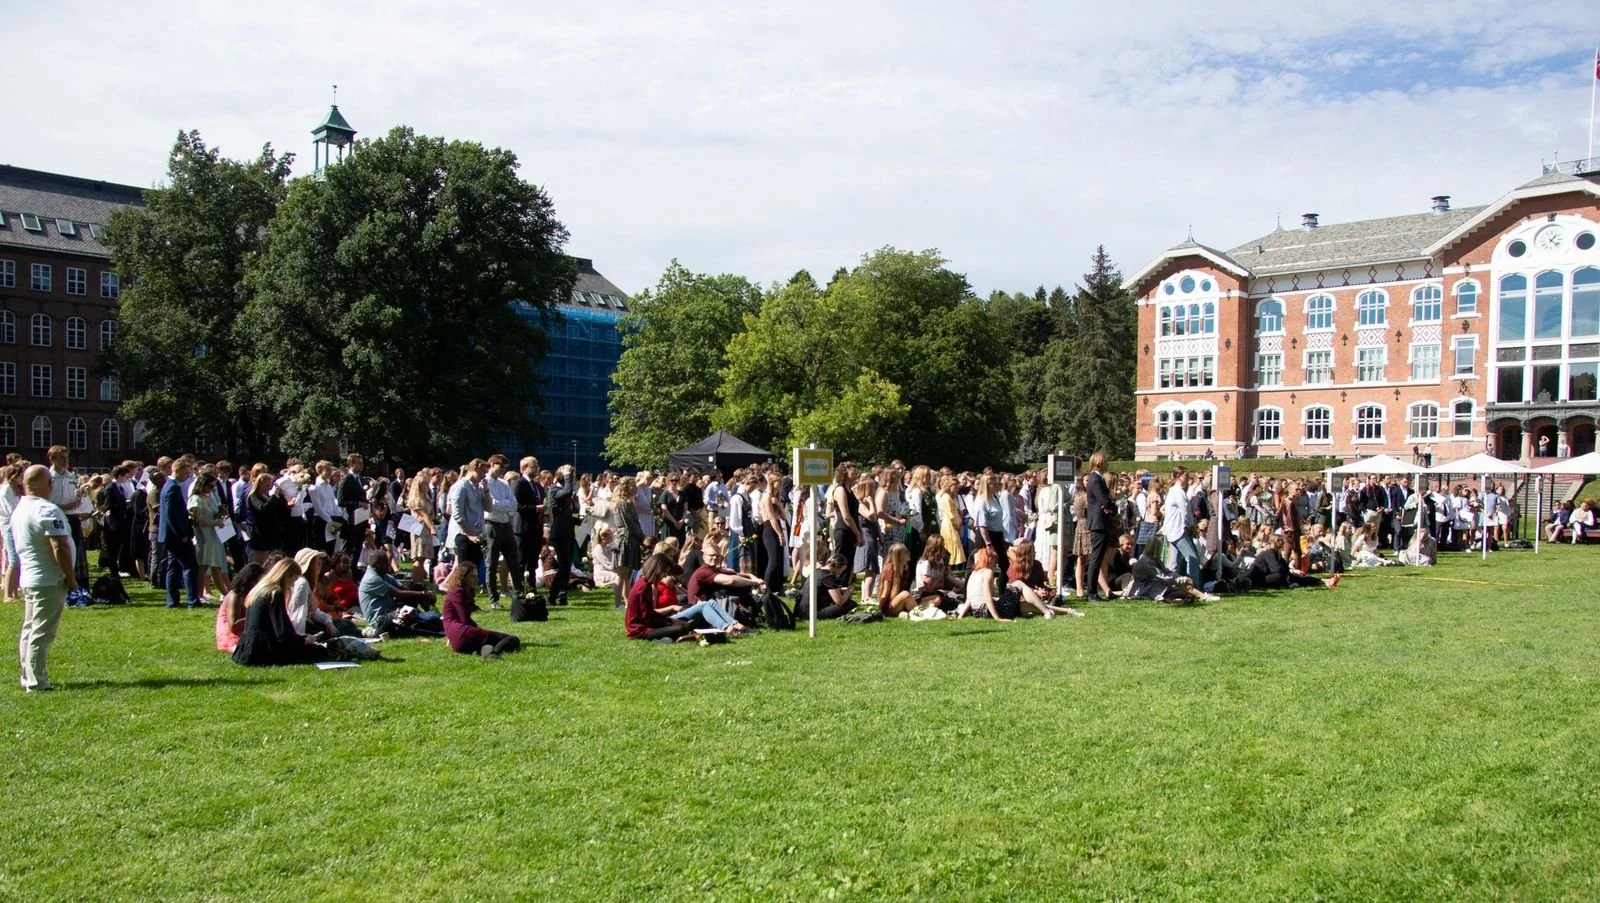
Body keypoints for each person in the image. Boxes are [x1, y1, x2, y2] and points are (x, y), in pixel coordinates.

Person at [12, 465, 77, 691]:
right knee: (41, 632)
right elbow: (60, 547)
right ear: (48, 484)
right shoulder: (47, 510)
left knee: (30, 629)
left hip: (31, 576)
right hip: (48, 578)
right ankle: (36, 681)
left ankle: (27, 675)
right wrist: (70, 576)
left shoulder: (20, 508)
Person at [232, 559, 328, 666]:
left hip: (246, 647)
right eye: (293, 580)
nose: (292, 585)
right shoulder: (275, 593)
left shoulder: (260, 590)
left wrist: (299, 638)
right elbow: (282, 631)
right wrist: (303, 641)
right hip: (262, 649)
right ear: (287, 576)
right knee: (319, 651)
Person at [441, 562, 522, 658]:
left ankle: (479, 651)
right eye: (472, 577)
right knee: (512, 639)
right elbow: (465, 619)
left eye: (476, 576)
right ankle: (494, 653)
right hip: (461, 633)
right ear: (463, 578)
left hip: (456, 636)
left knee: (491, 640)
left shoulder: (460, 592)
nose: (476, 580)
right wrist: (479, 631)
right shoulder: (458, 592)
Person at [359, 550, 438, 636]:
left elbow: (404, 589)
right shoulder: (372, 578)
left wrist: (422, 592)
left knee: (417, 587)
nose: (388, 565)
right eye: (385, 563)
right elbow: (398, 593)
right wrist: (424, 593)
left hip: (391, 610)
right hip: (380, 620)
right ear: (377, 564)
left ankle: (430, 614)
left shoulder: (383, 575)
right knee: (407, 615)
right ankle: (429, 621)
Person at [160, 458, 204, 609]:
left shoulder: (169, 485)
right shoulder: (173, 488)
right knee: (190, 566)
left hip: (170, 535)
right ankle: (192, 600)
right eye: (186, 473)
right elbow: (171, 515)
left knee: (173, 567)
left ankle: (172, 601)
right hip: (177, 535)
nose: (187, 476)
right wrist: (182, 534)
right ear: (177, 471)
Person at [1125, 535, 1219, 604]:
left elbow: (1167, 571)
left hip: (1152, 585)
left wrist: (1180, 578)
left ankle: (1201, 596)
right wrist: (1181, 580)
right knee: (1181, 588)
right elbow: (1163, 577)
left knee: (1181, 587)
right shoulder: (1145, 562)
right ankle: (1202, 596)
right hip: (1144, 589)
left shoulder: (1153, 559)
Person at [187, 471, 229, 602]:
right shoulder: (196, 499)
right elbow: (196, 521)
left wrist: (220, 513)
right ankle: (199, 595)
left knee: (216, 566)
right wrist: (214, 522)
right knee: (203, 566)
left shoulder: (209, 498)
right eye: (210, 486)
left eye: (214, 486)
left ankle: (226, 594)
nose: (212, 489)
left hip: (214, 536)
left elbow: (213, 515)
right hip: (203, 537)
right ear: (202, 484)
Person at [546, 465, 579, 606]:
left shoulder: (565, 492)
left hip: (568, 532)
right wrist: (566, 476)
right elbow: (567, 491)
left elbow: (568, 513)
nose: (573, 479)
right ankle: (552, 595)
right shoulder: (554, 490)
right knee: (564, 566)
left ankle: (562, 594)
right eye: (572, 476)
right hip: (559, 534)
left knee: (567, 565)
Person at [795, 552, 856, 622]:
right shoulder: (828, 576)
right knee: (851, 604)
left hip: (800, 611)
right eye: (842, 570)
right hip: (811, 614)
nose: (841, 573)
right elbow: (839, 601)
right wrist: (848, 591)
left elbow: (821, 588)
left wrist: (839, 590)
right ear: (837, 566)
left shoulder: (817, 571)